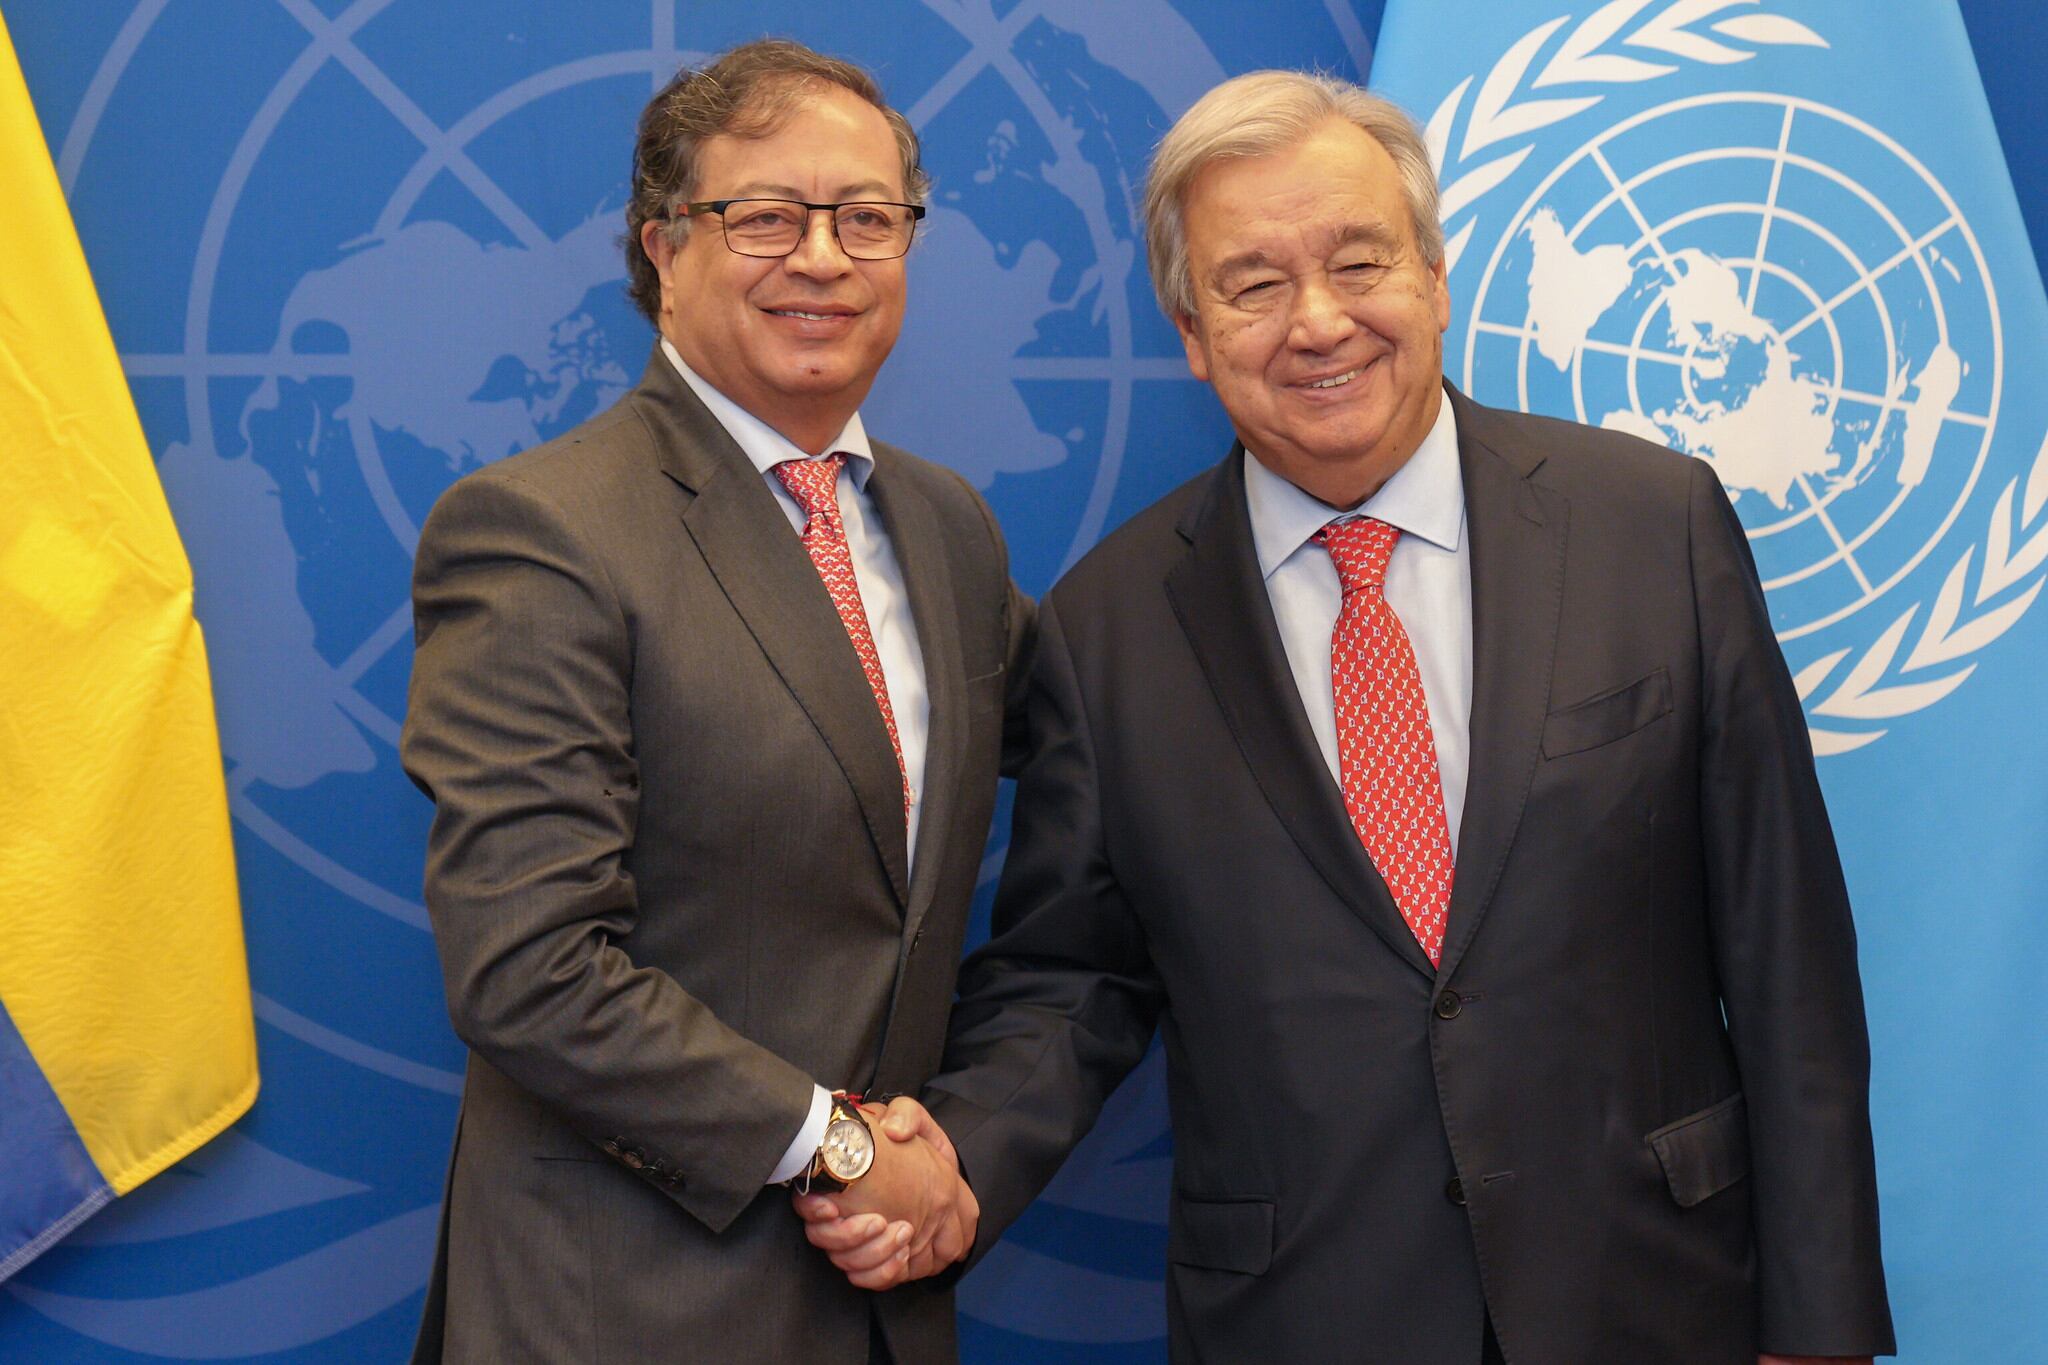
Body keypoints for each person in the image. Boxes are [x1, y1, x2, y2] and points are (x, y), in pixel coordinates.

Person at [802, 70, 1894, 1363]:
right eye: (1254, 284)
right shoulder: (1107, 629)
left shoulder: (1653, 527)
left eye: (1359, 261)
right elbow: (1072, 980)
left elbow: (1786, 953)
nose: (1317, 322)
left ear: (1434, 276)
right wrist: (952, 1161)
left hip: (1657, 1293)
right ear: (1193, 331)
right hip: (1304, 1314)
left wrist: (1817, 1319)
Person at [401, 38, 1030, 1365]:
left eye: (867, 218)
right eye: (764, 216)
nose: (822, 256)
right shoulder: (540, 531)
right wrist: (845, 1142)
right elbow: (527, 965)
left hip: (883, 1303)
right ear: (661, 247)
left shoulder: (948, 529)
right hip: (626, 1314)